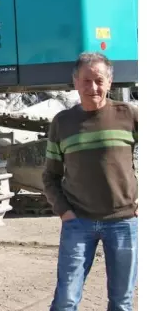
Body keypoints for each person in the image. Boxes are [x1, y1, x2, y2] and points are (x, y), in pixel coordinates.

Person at [43, 52, 138, 311]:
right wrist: (64, 212)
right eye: (86, 81)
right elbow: (50, 176)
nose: (93, 87)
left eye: (98, 80)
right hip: (78, 223)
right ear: (75, 82)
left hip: (123, 222)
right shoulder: (62, 123)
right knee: (66, 300)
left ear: (110, 82)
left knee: (121, 302)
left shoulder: (129, 115)